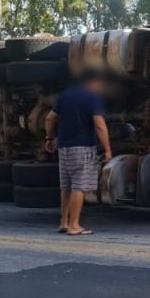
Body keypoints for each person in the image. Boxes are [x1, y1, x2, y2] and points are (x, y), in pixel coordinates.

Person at [44, 69, 112, 236]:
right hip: (83, 147)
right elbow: (99, 125)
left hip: (64, 146)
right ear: (95, 82)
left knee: (65, 187)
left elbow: (49, 118)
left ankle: (64, 223)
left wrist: (49, 138)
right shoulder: (93, 97)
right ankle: (75, 225)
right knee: (79, 187)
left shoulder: (66, 95)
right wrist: (108, 149)